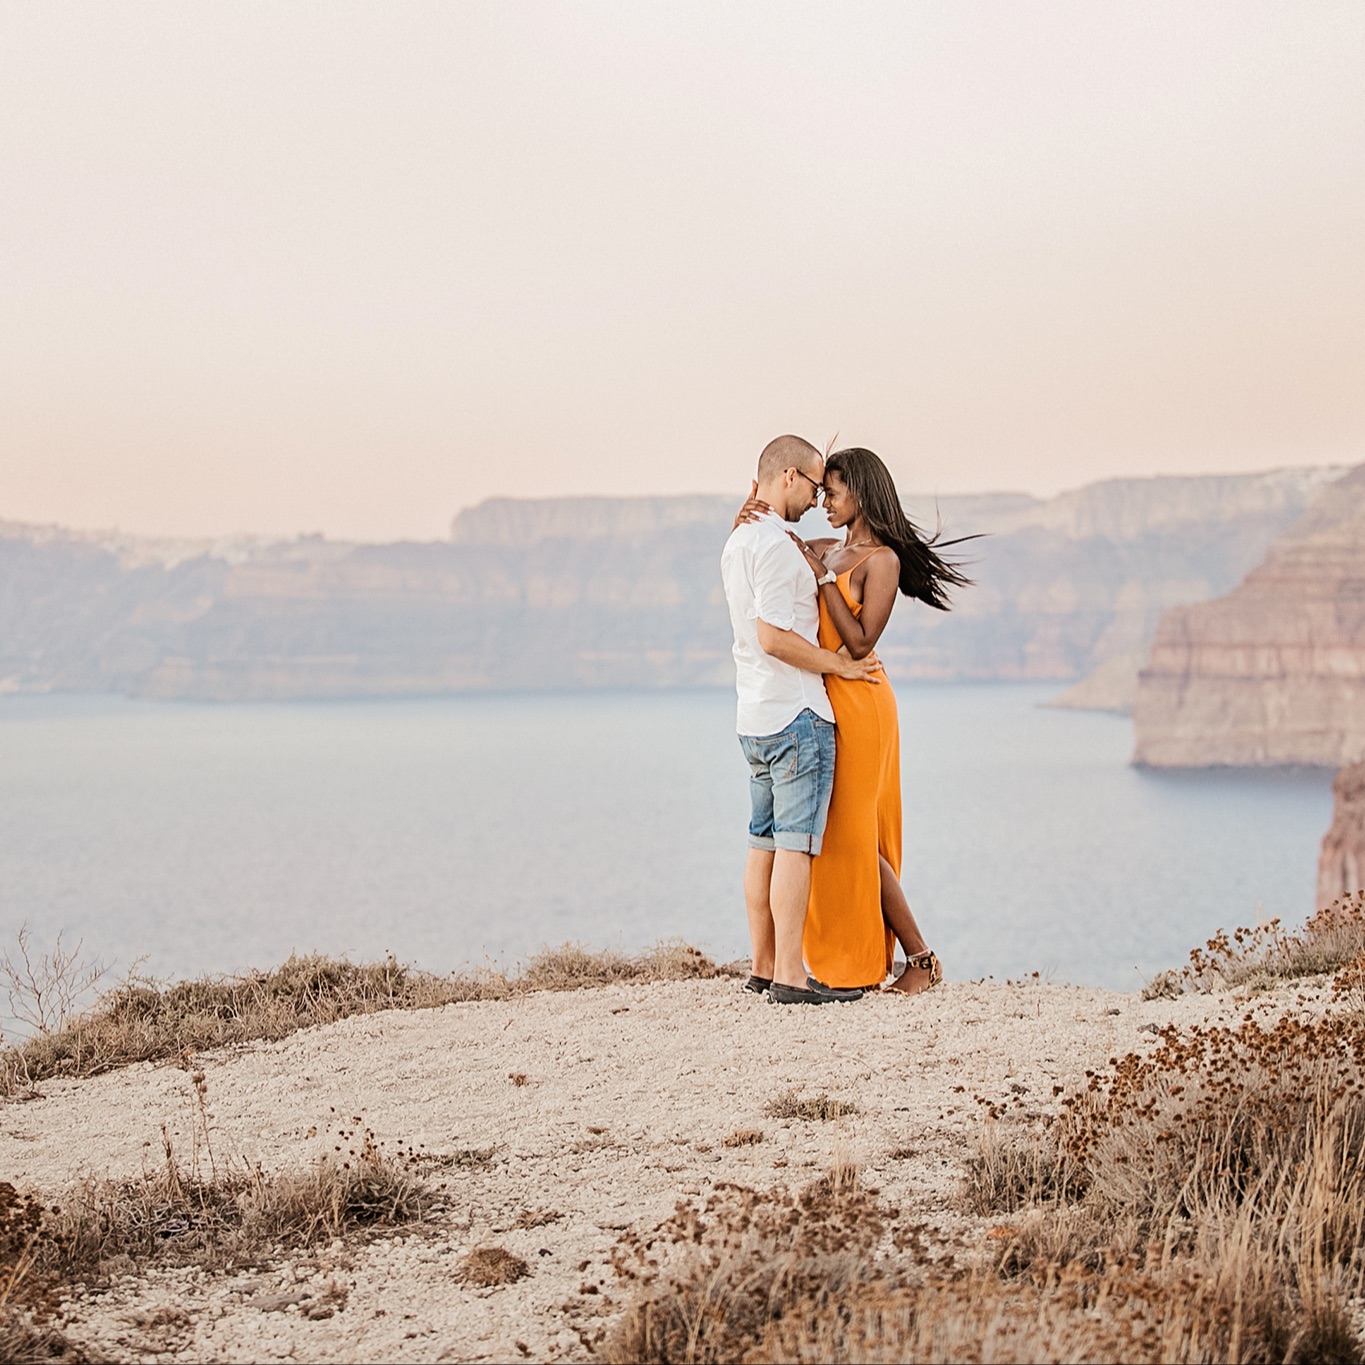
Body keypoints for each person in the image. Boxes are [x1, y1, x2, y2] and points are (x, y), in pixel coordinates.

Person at [735, 446, 970, 995]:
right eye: (821, 493)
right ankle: (837, 958)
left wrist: (823, 581)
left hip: (862, 702)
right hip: (821, 701)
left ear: (860, 494)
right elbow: (762, 554)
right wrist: (746, 511)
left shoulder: (881, 561)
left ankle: (922, 958)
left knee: (858, 836)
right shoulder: (825, 548)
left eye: (834, 493)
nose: (824, 504)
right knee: (834, 835)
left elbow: (861, 643)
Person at [720, 435, 883, 1006]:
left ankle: (762, 968)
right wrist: (837, 664)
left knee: (761, 841)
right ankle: (790, 975)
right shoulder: (773, 544)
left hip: (753, 716)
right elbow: (772, 637)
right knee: (794, 847)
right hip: (795, 716)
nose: (817, 499)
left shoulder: (740, 539)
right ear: (789, 476)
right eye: (814, 486)